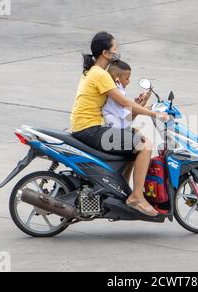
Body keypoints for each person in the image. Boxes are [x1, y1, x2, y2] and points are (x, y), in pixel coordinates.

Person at [70, 32, 169, 217]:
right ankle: (136, 197)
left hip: (86, 127)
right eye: (115, 49)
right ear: (105, 53)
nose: (118, 52)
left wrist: (140, 105)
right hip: (90, 129)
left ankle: (120, 190)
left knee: (134, 138)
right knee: (145, 145)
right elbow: (124, 103)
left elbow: (122, 111)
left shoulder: (95, 72)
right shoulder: (101, 74)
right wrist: (154, 114)